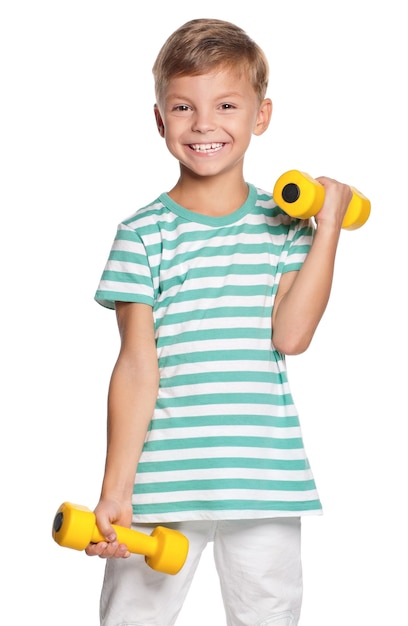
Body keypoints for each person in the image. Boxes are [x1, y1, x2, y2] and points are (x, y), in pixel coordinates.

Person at [87, 17, 353, 626]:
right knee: (131, 618)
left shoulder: (285, 224)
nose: (204, 124)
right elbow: (135, 364)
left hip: (262, 478)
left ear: (260, 115)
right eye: (183, 107)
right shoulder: (142, 235)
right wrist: (116, 489)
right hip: (161, 481)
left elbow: (292, 336)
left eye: (226, 104)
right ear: (160, 120)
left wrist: (328, 229)